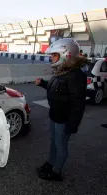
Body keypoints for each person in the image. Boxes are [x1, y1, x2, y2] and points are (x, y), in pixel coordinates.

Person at [35, 38, 88, 181]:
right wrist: (43, 84)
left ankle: (56, 172)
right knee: (54, 141)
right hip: (55, 115)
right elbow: (57, 91)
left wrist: (73, 125)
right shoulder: (61, 71)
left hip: (64, 119)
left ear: (66, 54)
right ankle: (50, 163)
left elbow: (78, 104)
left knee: (61, 145)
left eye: (54, 55)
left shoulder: (76, 76)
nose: (51, 58)